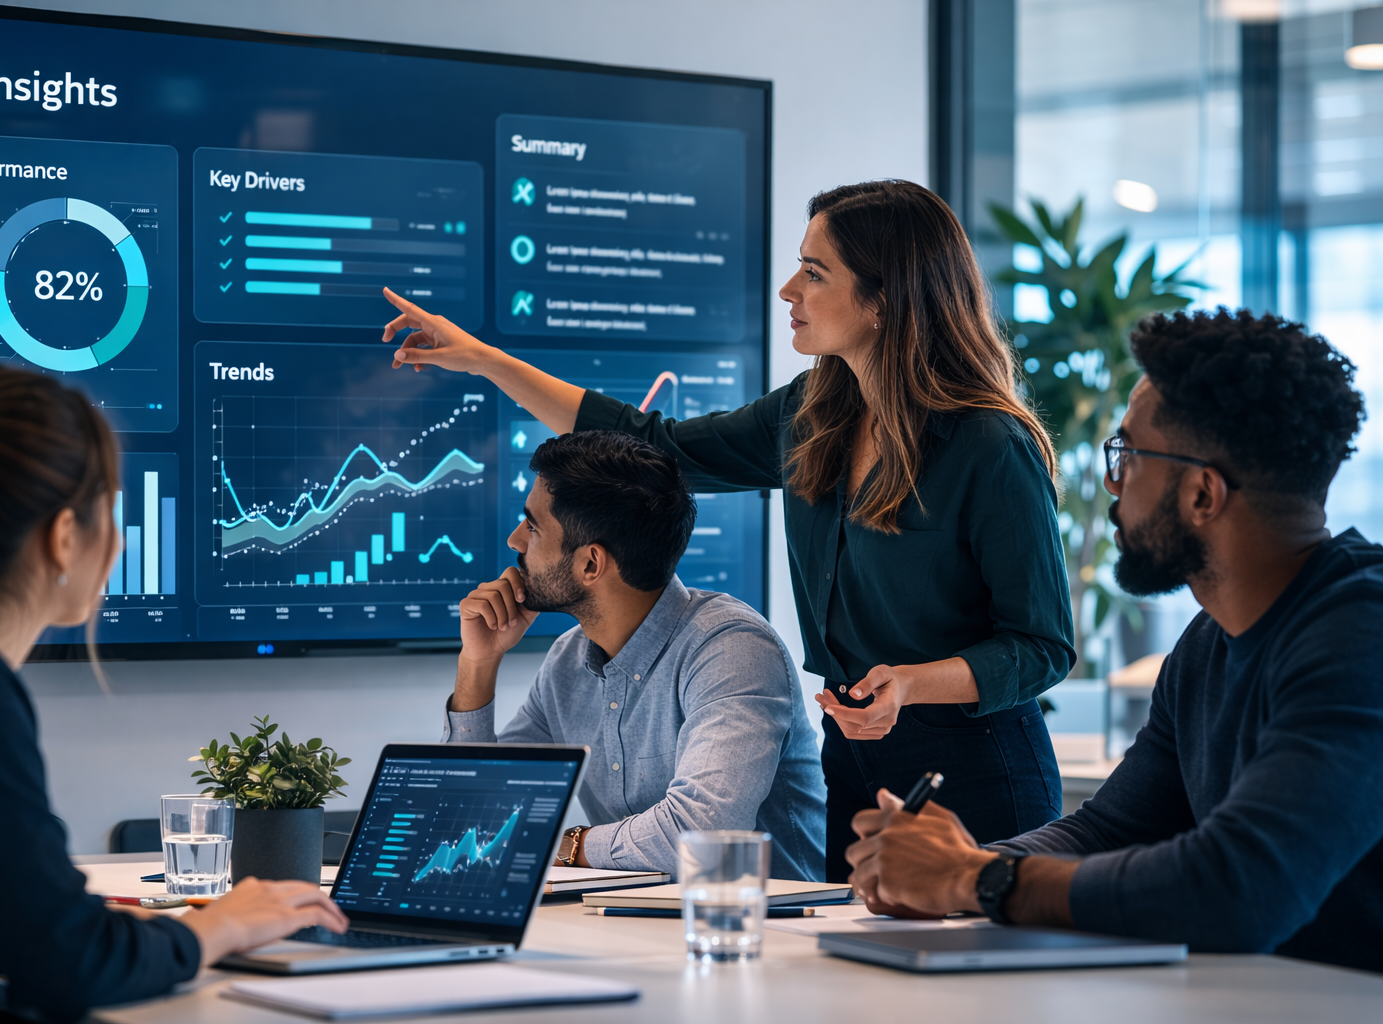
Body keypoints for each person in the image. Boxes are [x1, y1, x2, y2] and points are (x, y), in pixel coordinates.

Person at [383, 179, 1074, 879]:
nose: (788, 290)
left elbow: (1042, 646)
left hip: (975, 766)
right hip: (856, 755)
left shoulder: (990, 446)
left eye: (814, 273)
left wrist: (911, 684)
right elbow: (655, 445)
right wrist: (484, 360)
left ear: (884, 299)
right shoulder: (810, 414)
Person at [840, 309, 1383, 974]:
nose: (1110, 482)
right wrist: (946, 867)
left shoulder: (1361, 637)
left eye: (1128, 455)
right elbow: (1110, 830)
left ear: (1203, 495)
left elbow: (1240, 888)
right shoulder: (1209, 642)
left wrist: (973, 879)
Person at [0, 365, 350, 1023]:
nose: (116, 545)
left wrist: (105, 926)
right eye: (111, 513)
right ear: (62, 537)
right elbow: (71, 964)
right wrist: (220, 926)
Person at [440, 430, 826, 880]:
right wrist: (478, 664)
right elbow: (474, 823)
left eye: (533, 527)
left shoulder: (732, 650)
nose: (515, 541)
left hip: (758, 919)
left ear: (590, 564)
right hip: (623, 915)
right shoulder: (567, 662)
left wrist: (564, 846)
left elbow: (701, 834)